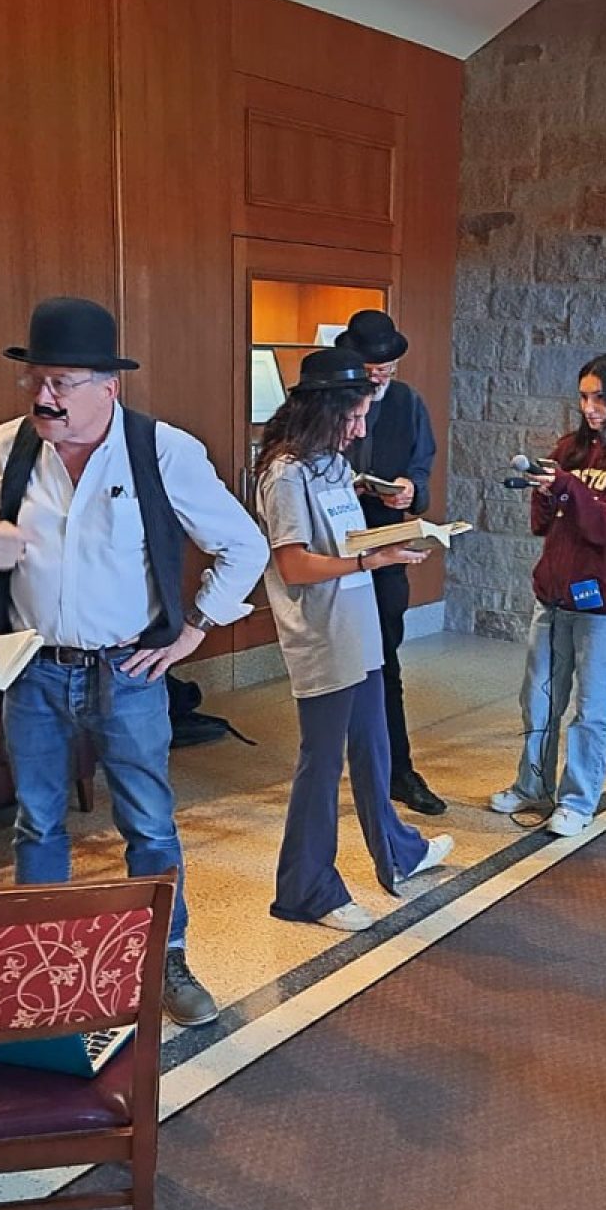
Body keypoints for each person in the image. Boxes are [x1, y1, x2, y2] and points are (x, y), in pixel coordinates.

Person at [0, 296, 269, 1026]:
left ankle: (166, 959)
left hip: (127, 671)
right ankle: (39, 965)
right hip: (31, 665)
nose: (44, 397)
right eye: (36, 379)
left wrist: (192, 630)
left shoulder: (162, 450)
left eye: (62, 382)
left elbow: (244, 544)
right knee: (36, 823)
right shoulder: (11, 446)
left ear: (109, 387)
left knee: (150, 825)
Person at [255, 346, 454, 930]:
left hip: (357, 620)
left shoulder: (334, 466)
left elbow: (345, 540)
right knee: (321, 764)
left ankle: (399, 852)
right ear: (326, 412)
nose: (363, 428)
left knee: (374, 745)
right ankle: (305, 889)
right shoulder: (284, 476)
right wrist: (375, 562)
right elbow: (294, 566)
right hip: (321, 633)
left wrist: (396, 526)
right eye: (356, 416)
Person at [490, 354, 606, 839]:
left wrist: (566, 487)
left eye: (600, 398)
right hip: (554, 599)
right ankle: (532, 786)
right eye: (584, 397)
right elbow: (545, 523)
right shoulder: (570, 448)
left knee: (590, 711)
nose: (590, 408)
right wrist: (546, 491)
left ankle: (577, 800)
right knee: (539, 699)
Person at [336, 309, 445, 818]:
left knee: (385, 662)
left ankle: (397, 769)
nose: (380, 375)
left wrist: (410, 489)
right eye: (371, 365)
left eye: (388, 366)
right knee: (333, 666)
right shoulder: (326, 399)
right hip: (332, 554)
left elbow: (422, 465)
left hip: (388, 550)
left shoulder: (407, 402)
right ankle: (338, 762)